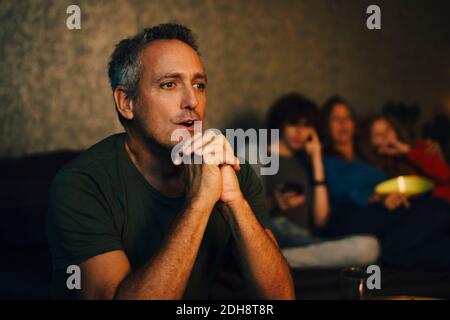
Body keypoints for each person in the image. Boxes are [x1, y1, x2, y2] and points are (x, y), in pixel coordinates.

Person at [46, 23, 294, 300]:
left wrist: (235, 202)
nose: (192, 101)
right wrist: (199, 204)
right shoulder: (81, 184)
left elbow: (281, 297)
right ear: (126, 102)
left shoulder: (232, 170)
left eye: (199, 85)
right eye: (169, 84)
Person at [320, 96, 450, 271]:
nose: (343, 123)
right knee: (440, 207)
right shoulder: (327, 161)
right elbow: (340, 192)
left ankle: (398, 256)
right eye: (336, 119)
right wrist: (376, 197)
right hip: (357, 212)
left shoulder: (367, 160)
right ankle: (394, 252)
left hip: (394, 212)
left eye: (347, 118)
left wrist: (413, 151)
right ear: (326, 126)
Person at [264, 93, 380, 269]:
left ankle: (273, 261)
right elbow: (239, 209)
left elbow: (321, 220)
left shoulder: (307, 164)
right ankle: (264, 258)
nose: (300, 132)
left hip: (303, 239)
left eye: (306, 126)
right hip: (271, 231)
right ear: (280, 125)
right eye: (294, 124)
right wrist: (273, 202)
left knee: (369, 246)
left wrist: (317, 162)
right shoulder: (256, 153)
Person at [359, 115, 450, 202]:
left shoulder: (418, 148)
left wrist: (407, 152)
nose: (385, 136)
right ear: (369, 142)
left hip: (438, 204)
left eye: (388, 129)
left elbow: (445, 176)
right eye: (377, 135)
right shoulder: (371, 168)